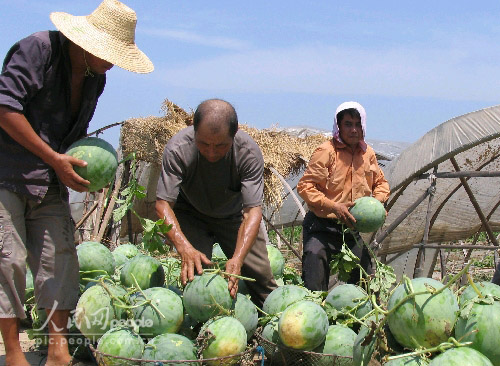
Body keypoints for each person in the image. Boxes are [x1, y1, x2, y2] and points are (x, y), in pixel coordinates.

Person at [0, 1, 153, 365]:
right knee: (9, 261)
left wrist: (88, 170)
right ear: (87, 43)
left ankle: (58, 349)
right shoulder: (39, 50)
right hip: (7, 172)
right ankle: (14, 352)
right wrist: (54, 158)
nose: (111, 63)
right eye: (108, 54)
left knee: (60, 260)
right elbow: (5, 108)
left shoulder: (94, 79)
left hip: (49, 181)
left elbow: (74, 136)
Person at [155, 99, 277, 308]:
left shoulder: (248, 152)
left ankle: (271, 326)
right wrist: (185, 248)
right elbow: (162, 205)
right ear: (194, 132)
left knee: (260, 278)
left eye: (220, 146)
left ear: (234, 134)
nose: (211, 152)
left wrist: (238, 258)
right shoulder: (178, 149)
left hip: (233, 217)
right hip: (190, 213)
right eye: (203, 144)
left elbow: (252, 212)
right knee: (196, 280)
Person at [297, 101, 390, 291]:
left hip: (350, 230)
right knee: (314, 267)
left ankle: (361, 319)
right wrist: (333, 206)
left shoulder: (368, 154)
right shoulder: (326, 152)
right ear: (338, 126)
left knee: (365, 279)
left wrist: (377, 204)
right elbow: (305, 186)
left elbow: (381, 184)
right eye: (348, 124)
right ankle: (316, 313)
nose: (353, 130)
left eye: (357, 124)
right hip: (322, 227)